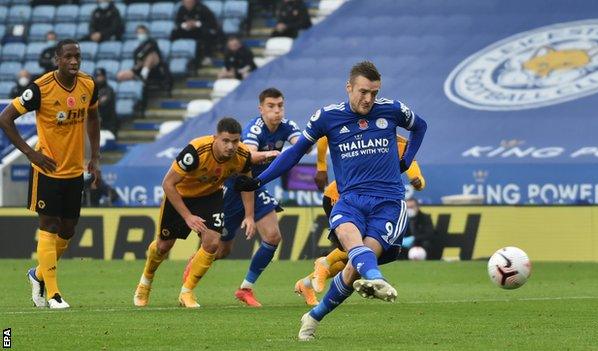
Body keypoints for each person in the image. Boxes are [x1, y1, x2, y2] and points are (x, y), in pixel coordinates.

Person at [234, 61, 427, 340]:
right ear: (349, 87)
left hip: (388, 203)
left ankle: (314, 316)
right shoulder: (328, 116)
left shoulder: (392, 109)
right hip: (349, 200)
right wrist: (259, 180)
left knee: (353, 266)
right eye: (363, 91)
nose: (369, 99)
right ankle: (375, 279)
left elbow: (420, 126)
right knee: (355, 248)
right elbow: (295, 152)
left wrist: (407, 160)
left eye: (374, 92)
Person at [0, 39, 101, 309]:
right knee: (50, 227)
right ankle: (53, 294)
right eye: (68, 57)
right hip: (46, 171)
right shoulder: (40, 88)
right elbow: (5, 118)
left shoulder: (88, 84)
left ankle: (38, 274)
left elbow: (93, 117)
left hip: (73, 171)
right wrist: (30, 153)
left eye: (77, 56)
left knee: (67, 230)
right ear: (57, 59)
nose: (74, 61)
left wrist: (95, 157)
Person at [181, 88, 300, 307]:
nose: (277, 111)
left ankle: (245, 288)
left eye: (280, 106)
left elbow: (302, 142)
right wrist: (270, 154)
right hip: (230, 190)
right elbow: (249, 157)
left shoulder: (287, 126)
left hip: (253, 188)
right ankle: (192, 273)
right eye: (271, 106)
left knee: (273, 236)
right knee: (221, 249)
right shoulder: (254, 129)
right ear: (261, 108)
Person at [133, 117, 256, 308]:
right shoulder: (196, 150)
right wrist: (187, 216)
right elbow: (168, 184)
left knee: (213, 242)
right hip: (180, 195)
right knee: (164, 246)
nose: (231, 146)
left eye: (235, 141)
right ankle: (145, 282)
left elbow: (247, 185)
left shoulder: (243, 155)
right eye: (226, 141)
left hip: (210, 196)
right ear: (215, 138)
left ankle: (187, 292)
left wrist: (249, 215)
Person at [294, 135, 427, 306]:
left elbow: (411, 162)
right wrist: (321, 167)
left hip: (369, 200)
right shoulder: (362, 128)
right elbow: (325, 135)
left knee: (356, 257)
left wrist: (418, 180)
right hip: (344, 196)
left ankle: (307, 283)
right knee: (360, 249)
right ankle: (324, 263)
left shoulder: (393, 136)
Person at [94, 68, 118, 135]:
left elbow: (103, 102)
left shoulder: (109, 89)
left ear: (104, 77)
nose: (99, 78)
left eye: (101, 76)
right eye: (97, 76)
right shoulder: (92, 89)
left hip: (108, 122)